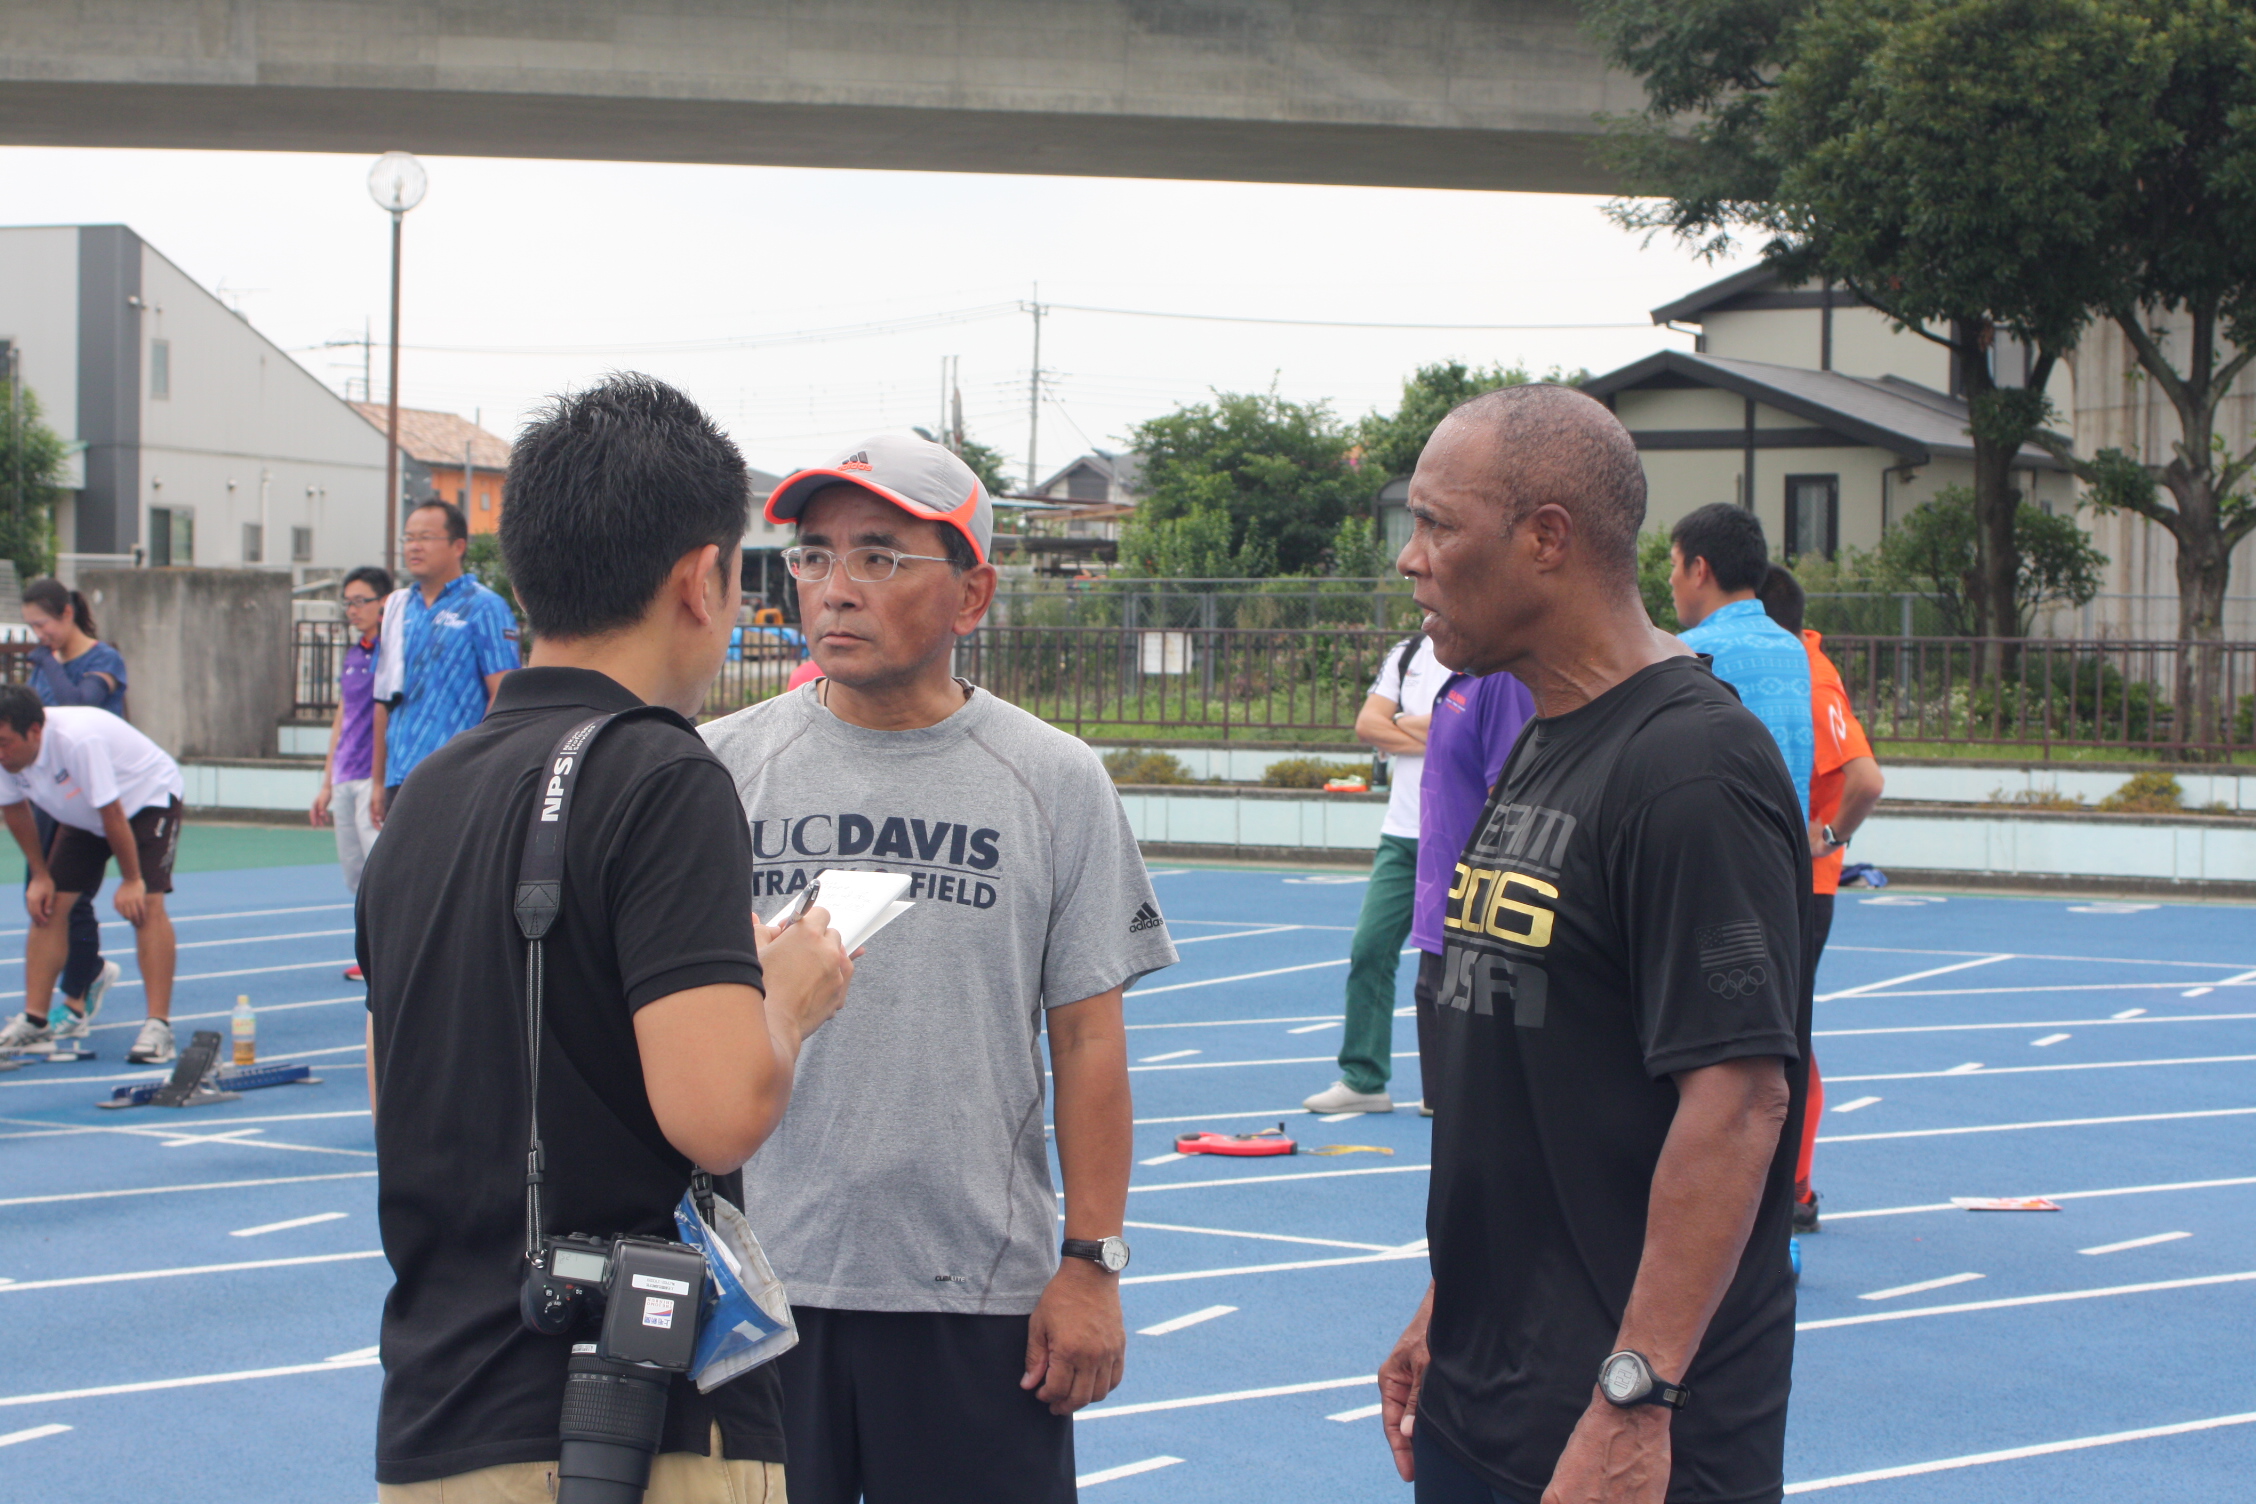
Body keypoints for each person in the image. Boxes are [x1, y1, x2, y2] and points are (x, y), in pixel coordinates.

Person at [356, 374, 853, 1501]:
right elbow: (718, 1108)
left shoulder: (428, 796)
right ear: (701, 576)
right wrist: (790, 994)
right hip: (635, 1433)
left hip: (439, 1417)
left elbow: (403, 1099)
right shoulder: (660, 770)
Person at [700, 432, 1177, 1504]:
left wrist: (1092, 1262)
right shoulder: (722, 768)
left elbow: (1090, 1039)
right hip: (759, 1294)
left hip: (977, 1303)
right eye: (813, 556)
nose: (834, 588)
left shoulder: (1053, 780)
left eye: (879, 556)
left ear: (972, 594)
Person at [1382, 386, 1810, 1504]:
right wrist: (1447, 1306)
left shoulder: (1691, 770)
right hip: (1491, 1394)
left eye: (1436, 524)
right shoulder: (1545, 732)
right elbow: (1537, 1085)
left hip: (1621, 1435)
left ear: (1547, 539)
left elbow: (1739, 1105)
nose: (1409, 560)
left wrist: (1636, 1399)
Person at [1757, 565, 1885, 1233]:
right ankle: (1789, 1183)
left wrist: (1828, 836)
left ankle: (1794, 1187)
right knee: (1786, 1037)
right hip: (1791, 879)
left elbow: (1866, 777)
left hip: (1802, 882)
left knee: (1784, 1042)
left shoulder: (1806, 670)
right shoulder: (1801, 665)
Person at [1304, 631, 1450, 1114]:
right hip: (1403, 834)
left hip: (1460, 834)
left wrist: (1408, 726)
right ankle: (1364, 1078)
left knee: (1458, 966)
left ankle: (1456, 1085)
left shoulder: (1485, 647)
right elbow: (1368, 723)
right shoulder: (1407, 652)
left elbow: (1467, 728)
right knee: (1370, 948)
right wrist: (1428, 729)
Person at [0, 688, 185, 1065]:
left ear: (35, 731)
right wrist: (39, 874)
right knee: (48, 906)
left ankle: (158, 1028)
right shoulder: (5, 754)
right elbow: (14, 809)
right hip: (83, 813)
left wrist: (131, 878)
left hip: (145, 800)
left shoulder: (76, 740)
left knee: (146, 905)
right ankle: (35, 1022)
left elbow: (113, 812)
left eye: (4, 744)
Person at [1406, 668, 1536, 1117]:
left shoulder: (1500, 681)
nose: (1424, 614)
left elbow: (1514, 803)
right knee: (1443, 1112)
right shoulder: (1456, 682)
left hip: (1477, 922)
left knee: (1478, 1114)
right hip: (1437, 912)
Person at [16, 577, 127, 1041]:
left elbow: (78, 704)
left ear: (66, 614)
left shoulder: (104, 659)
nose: (38, 635)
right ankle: (88, 973)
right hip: (50, 791)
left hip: (95, 794)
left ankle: (77, 996)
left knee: (70, 896)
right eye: (30, 628)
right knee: (41, 894)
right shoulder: (44, 666)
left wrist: (47, 662)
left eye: (42, 624)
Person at [369, 499, 518, 826]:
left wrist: (479, 763)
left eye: (425, 537)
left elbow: (503, 693)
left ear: (458, 546)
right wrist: (378, 781)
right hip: (401, 774)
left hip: (458, 776)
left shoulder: (485, 607)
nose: (414, 547)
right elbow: (383, 701)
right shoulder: (397, 610)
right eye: (408, 538)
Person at [1667, 503, 1815, 821]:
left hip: (1726, 852)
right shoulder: (1793, 649)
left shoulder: (1688, 652)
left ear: (1699, 569)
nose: (1670, 580)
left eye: (1675, 564)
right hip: (1790, 854)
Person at [314, 566, 391, 983]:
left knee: (379, 868)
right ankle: (368, 954)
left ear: (383, 604)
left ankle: (386, 956)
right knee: (355, 874)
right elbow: (342, 716)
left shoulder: (392, 652)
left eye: (361, 601)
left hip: (373, 776)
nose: (352, 609)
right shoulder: (353, 654)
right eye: (348, 602)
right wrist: (326, 781)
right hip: (346, 775)